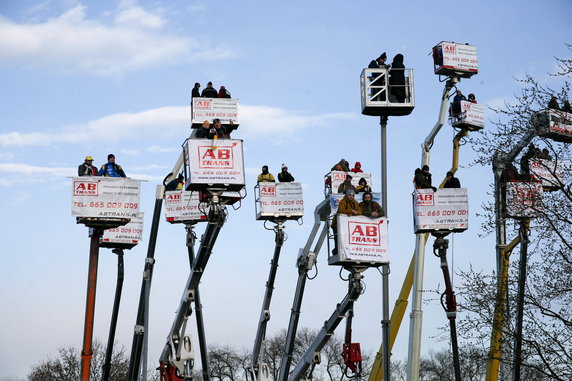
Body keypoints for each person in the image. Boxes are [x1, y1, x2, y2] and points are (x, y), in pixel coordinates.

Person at [331, 189, 362, 255]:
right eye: (349, 195)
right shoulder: (343, 201)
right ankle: (336, 252)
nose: (351, 197)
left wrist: (354, 212)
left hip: (347, 225)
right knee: (338, 239)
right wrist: (351, 211)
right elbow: (341, 210)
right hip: (337, 224)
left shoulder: (355, 203)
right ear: (346, 195)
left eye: (352, 195)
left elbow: (360, 211)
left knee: (347, 239)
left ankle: (348, 252)